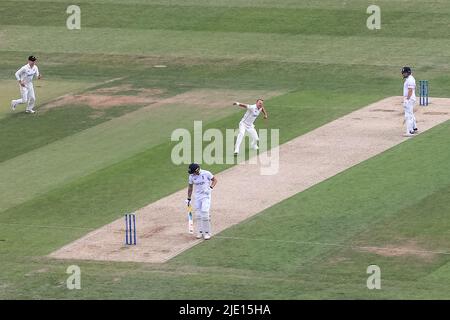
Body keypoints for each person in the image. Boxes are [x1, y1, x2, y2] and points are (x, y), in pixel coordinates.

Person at [186, 163, 217, 240]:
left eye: (193, 172)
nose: (192, 173)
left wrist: (210, 188)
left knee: (205, 213)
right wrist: (188, 198)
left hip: (206, 196)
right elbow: (190, 187)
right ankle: (200, 231)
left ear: (197, 170)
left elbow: (215, 180)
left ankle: (207, 233)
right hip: (197, 197)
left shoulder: (206, 173)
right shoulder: (191, 176)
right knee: (198, 214)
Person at [401, 66, 418, 137]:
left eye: (404, 73)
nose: (403, 74)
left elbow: (410, 90)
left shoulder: (410, 79)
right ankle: (414, 128)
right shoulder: (410, 79)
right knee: (410, 113)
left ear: (408, 72)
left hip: (409, 99)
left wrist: (407, 100)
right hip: (411, 98)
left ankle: (409, 131)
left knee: (408, 115)